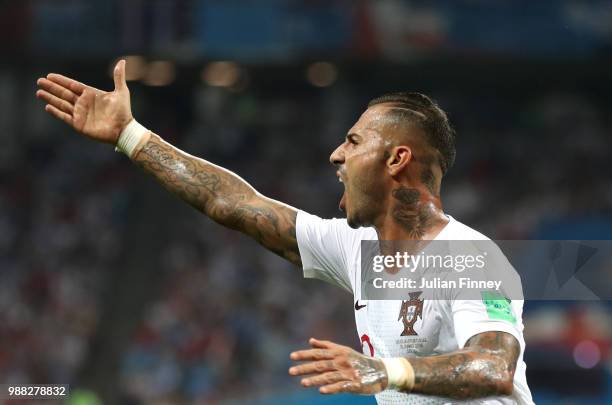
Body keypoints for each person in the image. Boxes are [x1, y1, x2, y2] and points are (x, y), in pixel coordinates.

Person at [36, 60, 534, 404]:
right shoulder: (356, 247)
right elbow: (232, 202)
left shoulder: (467, 256)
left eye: (353, 141)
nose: (336, 155)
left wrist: (389, 372)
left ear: (396, 159)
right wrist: (132, 136)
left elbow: (493, 367)